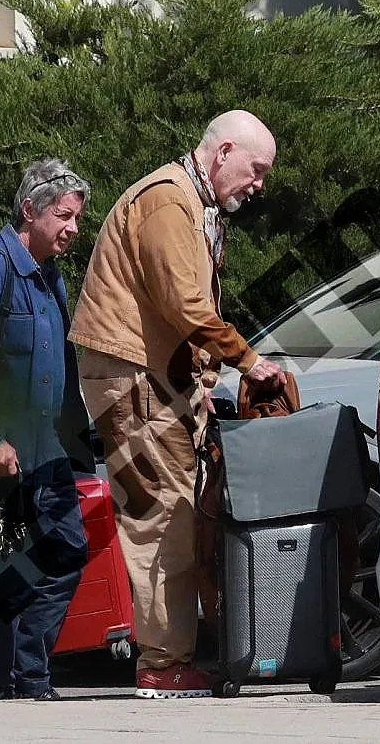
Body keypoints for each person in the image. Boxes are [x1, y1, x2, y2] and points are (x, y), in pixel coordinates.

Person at [70, 109, 286, 699]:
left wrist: (203, 386)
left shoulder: (194, 203)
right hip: (131, 377)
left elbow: (185, 311)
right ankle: (163, 664)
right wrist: (249, 362)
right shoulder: (169, 201)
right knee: (162, 516)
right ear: (222, 154)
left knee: (174, 512)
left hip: (147, 376)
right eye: (255, 169)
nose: (259, 184)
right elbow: (186, 305)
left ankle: (169, 657)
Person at [0, 158, 94, 701]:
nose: (74, 228)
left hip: (46, 450)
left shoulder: (49, 276)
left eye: (77, 218)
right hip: (1, 453)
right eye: (65, 216)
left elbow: (62, 367)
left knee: (65, 551)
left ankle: (30, 674)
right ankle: (0, 687)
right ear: (29, 211)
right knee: (5, 572)